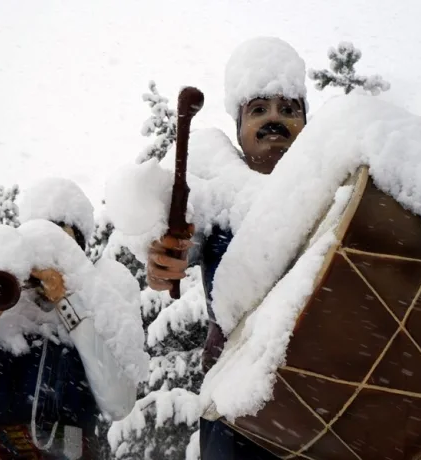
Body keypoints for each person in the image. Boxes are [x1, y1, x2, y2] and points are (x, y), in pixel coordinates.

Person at [146, 36, 308, 460]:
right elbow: (173, 254)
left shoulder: (334, 190)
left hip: (327, 394)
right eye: (258, 110)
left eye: (289, 109)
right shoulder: (217, 196)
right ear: (238, 130)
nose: (275, 119)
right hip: (235, 405)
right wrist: (163, 262)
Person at [0, 178, 148, 460]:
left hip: (71, 450)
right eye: (40, 244)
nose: (48, 256)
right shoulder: (1, 292)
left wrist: (68, 303)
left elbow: (119, 404)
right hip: (1, 451)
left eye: (62, 246)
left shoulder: (105, 292)